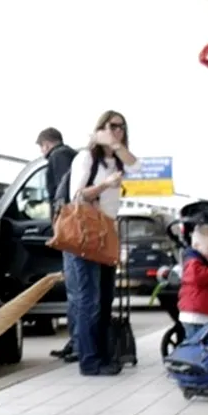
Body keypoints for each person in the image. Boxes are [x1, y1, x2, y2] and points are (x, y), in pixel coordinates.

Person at [63, 110, 138, 377]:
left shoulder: (116, 161)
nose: (118, 131)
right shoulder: (86, 158)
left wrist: (116, 146)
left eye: (122, 127)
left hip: (107, 232)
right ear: (101, 128)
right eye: (113, 126)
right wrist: (105, 184)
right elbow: (77, 196)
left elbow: (136, 166)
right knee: (89, 299)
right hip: (86, 233)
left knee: (106, 297)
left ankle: (104, 356)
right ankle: (89, 360)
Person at [36, 127, 78, 361]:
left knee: (75, 290)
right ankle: (78, 341)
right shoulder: (71, 155)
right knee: (77, 290)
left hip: (70, 229)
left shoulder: (58, 156)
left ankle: (78, 343)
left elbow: (62, 194)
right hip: (75, 228)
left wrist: (59, 222)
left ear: (46, 144)